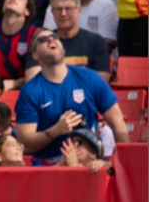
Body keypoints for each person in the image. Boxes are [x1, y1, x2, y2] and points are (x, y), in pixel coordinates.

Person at [14, 29, 129, 164]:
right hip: (49, 165)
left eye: (54, 37)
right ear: (35, 55)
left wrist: (123, 161)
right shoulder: (30, 91)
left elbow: (118, 123)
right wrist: (54, 131)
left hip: (88, 162)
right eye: (43, 40)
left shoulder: (89, 78)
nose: (51, 40)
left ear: (62, 47)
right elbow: (25, 144)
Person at [42, 0, 111, 79]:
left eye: (68, 8)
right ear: (52, 12)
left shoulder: (96, 42)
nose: (63, 13)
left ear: (78, 10)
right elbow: (35, 78)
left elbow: (102, 79)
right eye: (58, 9)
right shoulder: (43, 42)